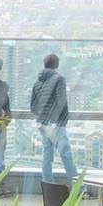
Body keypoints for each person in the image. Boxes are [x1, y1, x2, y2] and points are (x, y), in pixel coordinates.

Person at [29, 53, 76, 183]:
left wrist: (43, 116)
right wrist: (59, 120)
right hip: (55, 125)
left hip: (42, 124)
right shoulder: (59, 79)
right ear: (57, 65)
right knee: (66, 155)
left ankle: (48, 186)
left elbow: (32, 106)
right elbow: (62, 101)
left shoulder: (37, 82)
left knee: (47, 156)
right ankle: (80, 190)